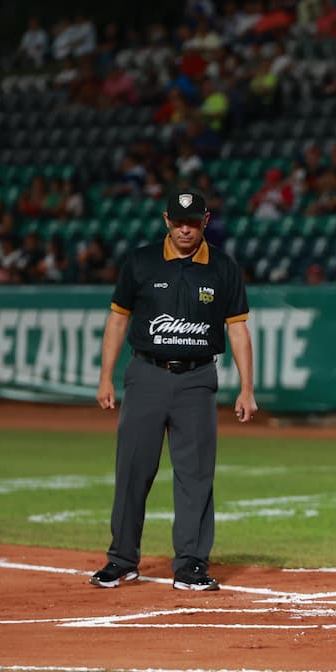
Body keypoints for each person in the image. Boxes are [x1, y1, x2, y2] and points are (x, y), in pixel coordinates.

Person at [90, 189, 257, 592]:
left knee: (195, 476)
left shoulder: (222, 267)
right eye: (179, 221)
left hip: (198, 381)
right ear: (167, 220)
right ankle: (122, 560)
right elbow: (117, 322)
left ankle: (191, 565)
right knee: (132, 470)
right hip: (145, 376)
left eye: (193, 221)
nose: (186, 228)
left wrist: (247, 388)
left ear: (205, 220)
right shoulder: (141, 262)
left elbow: (237, 328)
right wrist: (105, 376)